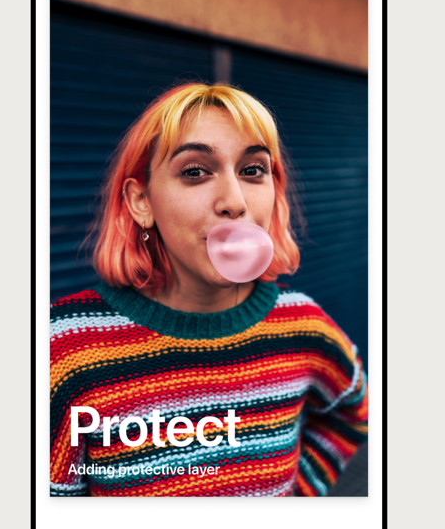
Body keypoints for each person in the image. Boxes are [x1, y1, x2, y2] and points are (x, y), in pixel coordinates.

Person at [50, 82, 367, 497]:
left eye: (253, 170)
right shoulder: (63, 349)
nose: (234, 201)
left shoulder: (303, 327)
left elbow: (354, 413)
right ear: (140, 201)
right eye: (195, 171)